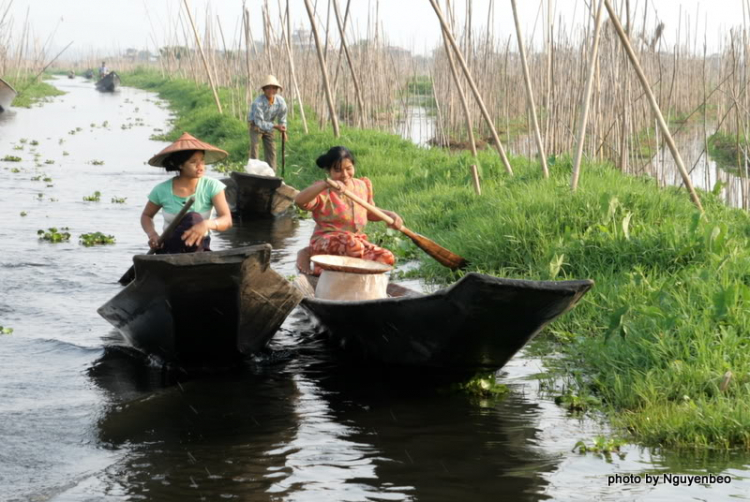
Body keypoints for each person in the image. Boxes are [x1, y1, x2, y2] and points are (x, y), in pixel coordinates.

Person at [294, 146, 403, 275]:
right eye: (338, 170)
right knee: (353, 246)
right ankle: (310, 253)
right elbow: (299, 201)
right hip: (326, 241)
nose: (345, 175)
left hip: (356, 242)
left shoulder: (362, 186)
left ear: (353, 166)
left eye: (348, 168)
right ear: (329, 171)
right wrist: (325, 184)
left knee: (386, 257)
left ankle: (334, 270)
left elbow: (369, 211)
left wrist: (390, 215)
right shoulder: (322, 190)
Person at [141, 132, 233, 254]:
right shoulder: (161, 190)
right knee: (192, 217)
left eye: (202, 160)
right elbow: (146, 216)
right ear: (180, 165)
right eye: (193, 162)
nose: (200, 166)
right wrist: (152, 234)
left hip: (199, 247)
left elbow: (227, 220)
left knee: (194, 218)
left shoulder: (212, 186)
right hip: (170, 248)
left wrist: (207, 224)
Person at [248, 75, 287, 171]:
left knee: (272, 150)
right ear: (264, 90)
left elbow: (283, 116)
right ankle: (253, 173)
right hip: (256, 125)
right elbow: (259, 122)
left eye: (274, 88)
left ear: (277, 89)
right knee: (255, 148)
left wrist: (283, 130)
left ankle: (271, 173)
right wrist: (275, 126)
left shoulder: (280, 101)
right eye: (268, 88)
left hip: (270, 125)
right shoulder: (258, 103)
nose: (271, 91)